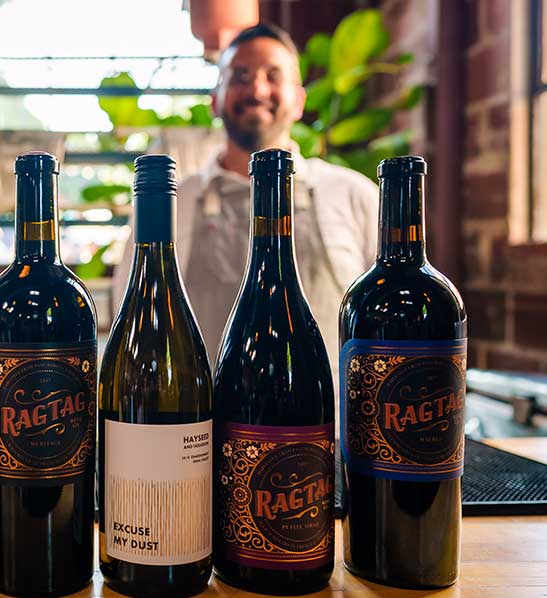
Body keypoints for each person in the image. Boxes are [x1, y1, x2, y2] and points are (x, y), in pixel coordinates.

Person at [113, 24, 379, 380]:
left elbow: (383, 324)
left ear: (299, 101)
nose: (256, 89)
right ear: (215, 99)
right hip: (201, 430)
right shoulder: (173, 201)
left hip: (325, 429)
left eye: (273, 75)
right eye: (240, 76)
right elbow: (131, 319)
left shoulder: (352, 194)